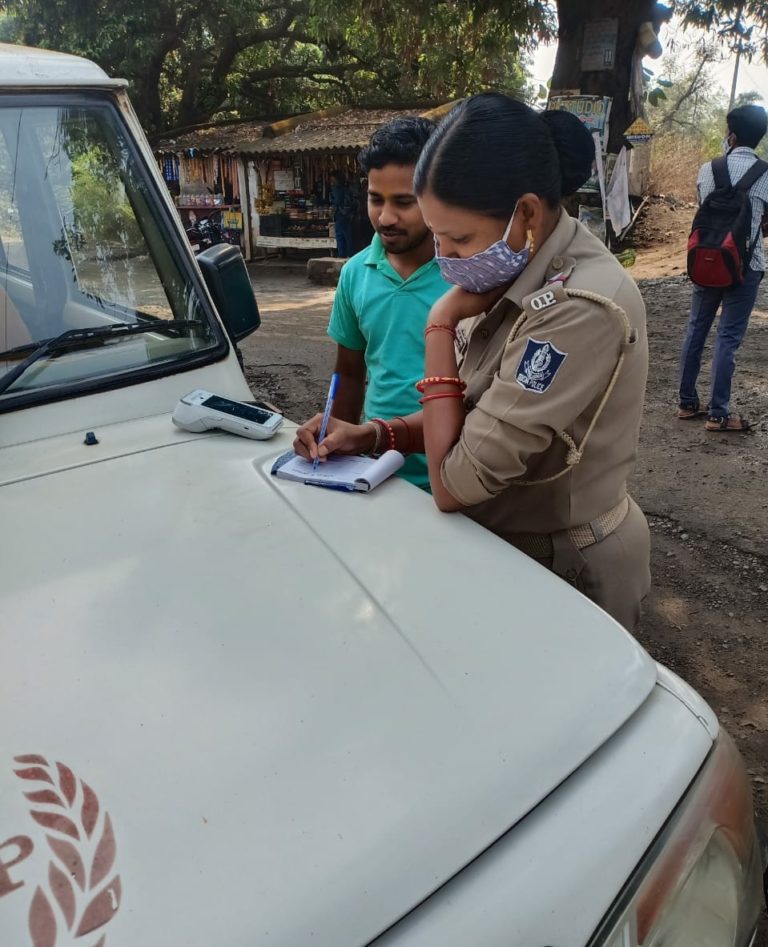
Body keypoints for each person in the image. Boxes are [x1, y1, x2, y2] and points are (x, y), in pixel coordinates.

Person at [295, 93, 650, 631]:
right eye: (437, 235)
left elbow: (454, 481)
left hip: (561, 566)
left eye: (458, 238)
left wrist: (440, 325)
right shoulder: (516, 271)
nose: (444, 257)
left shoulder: (577, 309)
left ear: (526, 213)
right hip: (500, 545)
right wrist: (370, 436)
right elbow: (472, 417)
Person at [320, 116, 451, 489]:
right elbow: (348, 371)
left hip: (454, 474)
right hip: (376, 472)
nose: (386, 217)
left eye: (404, 202)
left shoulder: (468, 275)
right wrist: (337, 450)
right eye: (376, 199)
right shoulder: (355, 273)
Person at [678, 104, 768, 432]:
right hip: (747, 266)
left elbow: (705, 207)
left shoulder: (708, 169)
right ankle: (718, 414)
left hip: (705, 261)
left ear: (730, 133)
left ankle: (687, 403)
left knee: (696, 328)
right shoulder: (766, 173)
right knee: (727, 337)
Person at [329, 171, 352, 258]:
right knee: (347, 237)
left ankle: (342, 255)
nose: (331, 182)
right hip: (347, 215)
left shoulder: (336, 188)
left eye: (332, 179)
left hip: (341, 215)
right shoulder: (346, 188)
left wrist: (331, 200)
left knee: (340, 236)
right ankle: (349, 255)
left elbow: (337, 201)